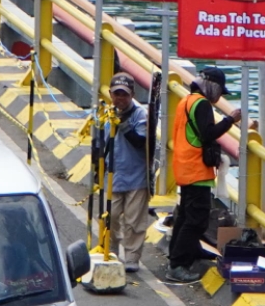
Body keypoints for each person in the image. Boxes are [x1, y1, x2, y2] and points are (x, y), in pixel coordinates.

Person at [166, 66, 236, 277]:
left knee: (185, 216)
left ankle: (188, 251)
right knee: (197, 220)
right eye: (219, 91)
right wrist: (230, 120)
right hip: (197, 170)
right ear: (212, 87)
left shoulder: (186, 101)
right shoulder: (202, 104)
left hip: (184, 167)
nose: (219, 97)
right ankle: (178, 264)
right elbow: (208, 134)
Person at [94, 71, 151, 273]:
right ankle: (110, 251)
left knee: (134, 221)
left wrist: (123, 123)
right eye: (116, 94)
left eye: (124, 94)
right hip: (113, 174)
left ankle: (132, 257)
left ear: (132, 94)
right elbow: (99, 143)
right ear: (110, 93)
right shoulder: (105, 113)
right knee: (110, 216)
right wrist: (97, 169)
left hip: (136, 175)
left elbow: (139, 141)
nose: (120, 98)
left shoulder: (140, 114)